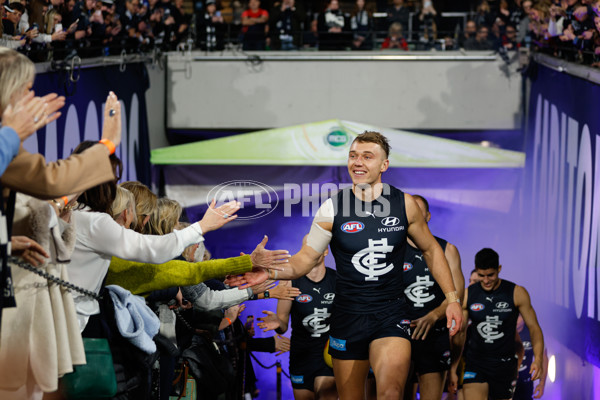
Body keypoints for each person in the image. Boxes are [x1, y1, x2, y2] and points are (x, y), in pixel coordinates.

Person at [228, 131, 462, 399]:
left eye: (367, 156)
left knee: (391, 393)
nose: (358, 162)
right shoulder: (331, 208)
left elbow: (432, 249)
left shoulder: (405, 205)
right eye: (353, 156)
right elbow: (305, 259)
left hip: (391, 314)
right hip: (347, 317)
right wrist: (267, 271)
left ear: (384, 165)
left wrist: (452, 299)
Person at [257, 237, 337, 400]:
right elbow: (283, 324)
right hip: (301, 356)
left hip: (329, 356)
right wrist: (278, 323)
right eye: (308, 247)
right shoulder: (290, 282)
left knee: (325, 394)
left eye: (317, 245)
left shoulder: (338, 281)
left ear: (326, 250)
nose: (313, 250)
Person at [402, 194, 463, 400]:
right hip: (401, 333)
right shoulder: (391, 250)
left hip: (434, 334)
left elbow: (458, 295)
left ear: (427, 216)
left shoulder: (447, 250)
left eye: (419, 211)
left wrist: (434, 315)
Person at [462, 248, 545, 400]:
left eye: (490, 275)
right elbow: (460, 333)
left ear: (499, 269)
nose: (486, 281)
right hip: (476, 362)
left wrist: (538, 360)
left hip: (505, 365)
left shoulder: (517, 293)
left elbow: (534, 328)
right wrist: (454, 365)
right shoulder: (468, 294)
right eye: (481, 275)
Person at [514, 315, 548, 400]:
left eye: (518, 316)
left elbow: (543, 358)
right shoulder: (498, 331)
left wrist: (542, 383)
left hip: (524, 385)